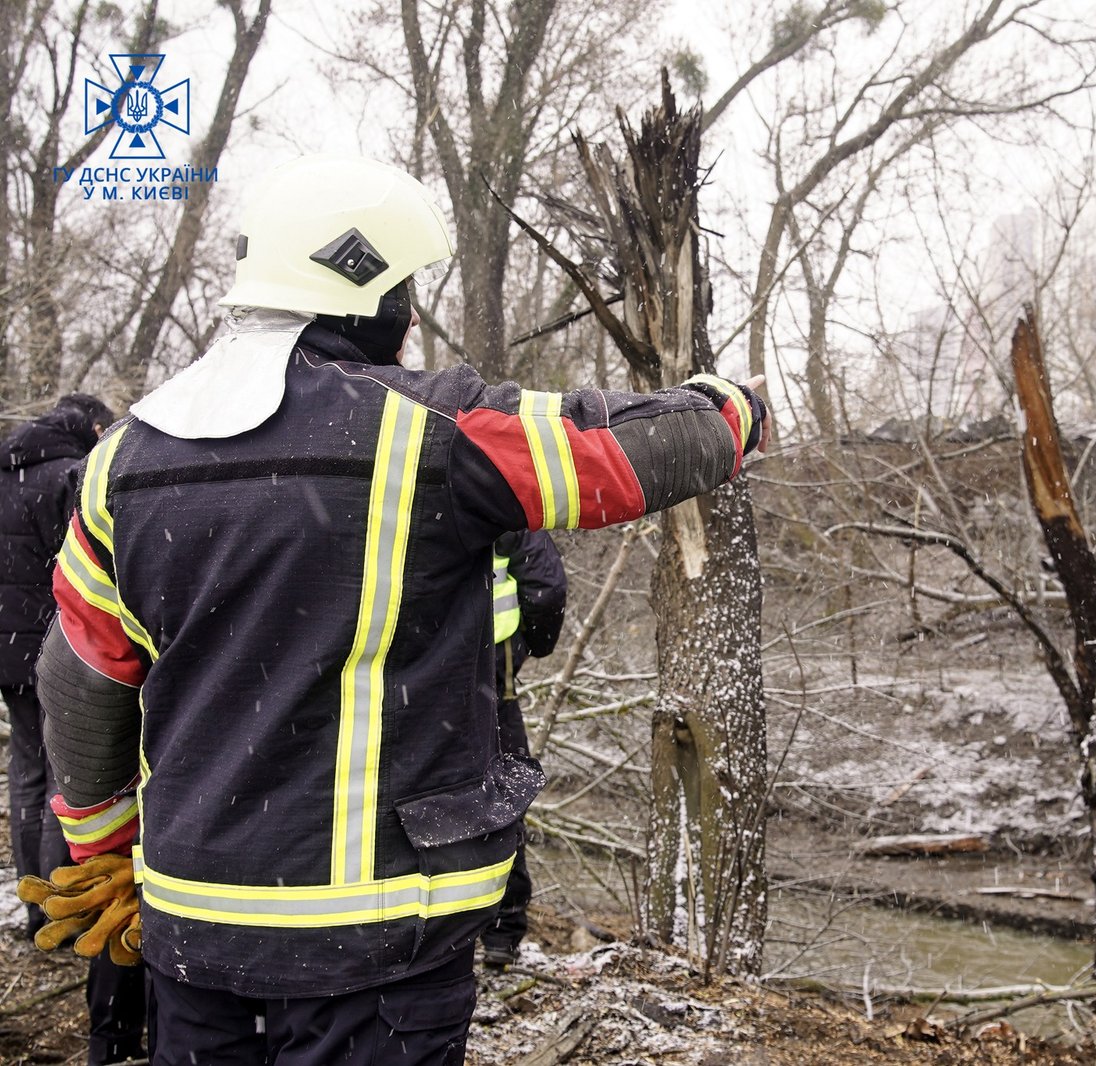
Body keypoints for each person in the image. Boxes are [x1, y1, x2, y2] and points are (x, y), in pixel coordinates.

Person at [26, 155, 767, 1066]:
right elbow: (628, 451)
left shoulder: (122, 458)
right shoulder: (429, 432)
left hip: (194, 924)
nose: (411, 320)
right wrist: (735, 409)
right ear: (357, 292)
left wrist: (101, 843)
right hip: (378, 938)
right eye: (402, 293)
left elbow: (79, 678)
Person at [0, 394, 149, 1065]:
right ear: (90, 427)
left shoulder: (7, 471)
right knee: (73, 778)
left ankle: (42, 900)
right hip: (66, 650)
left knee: (28, 773)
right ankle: (78, 892)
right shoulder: (72, 476)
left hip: (10, 650)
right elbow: (90, 574)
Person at [480, 530, 566, 971]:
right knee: (503, 794)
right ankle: (502, 930)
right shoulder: (499, 500)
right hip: (493, 673)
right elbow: (546, 588)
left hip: (416, 672)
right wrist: (528, 645)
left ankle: (431, 932)